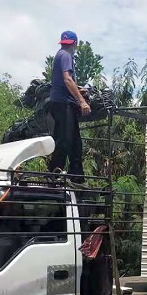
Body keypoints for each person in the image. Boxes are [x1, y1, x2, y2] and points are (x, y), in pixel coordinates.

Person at [47, 31, 91, 182]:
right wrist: (82, 101)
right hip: (63, 103)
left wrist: (78, 89)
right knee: (64, 141)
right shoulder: (66, 56)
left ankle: (77, 178)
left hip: (61, 102)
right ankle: (53, 175)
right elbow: (67, 79)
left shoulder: (60, 54)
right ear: (75, 44)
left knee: (75, 143)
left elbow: (63, 81)